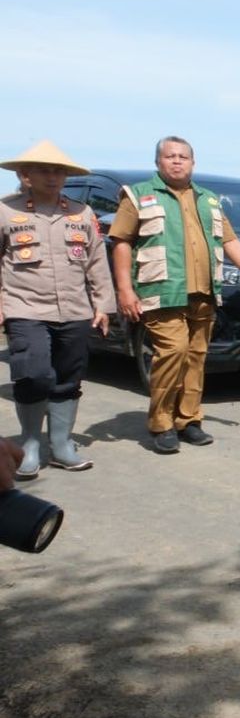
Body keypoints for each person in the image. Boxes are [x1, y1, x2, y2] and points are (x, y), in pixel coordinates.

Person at [109, 137, 240, 454]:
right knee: (173, 352)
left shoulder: (208, 199)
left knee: (196, 357)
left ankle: (189, 420)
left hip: (204, 294)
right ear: (158, 162)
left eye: (184, 156)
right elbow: (121, 241)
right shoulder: (138, 196)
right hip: (162, 291)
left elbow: (230, 240)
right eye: (170, 156)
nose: (177, 161)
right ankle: (162, 423)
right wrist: (125, 290)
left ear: (193, 163)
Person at [1, 141, 114, 478]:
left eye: (59, 171)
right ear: (26, 175)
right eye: (45, 170)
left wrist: (103, 305)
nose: (53, 177)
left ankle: (62, 445)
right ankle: (31, 444)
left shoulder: (81, 213)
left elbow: (96, 262)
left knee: (68, 377)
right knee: (33, 373)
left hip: (75, 310)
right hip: (25, 307)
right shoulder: (6, 211)